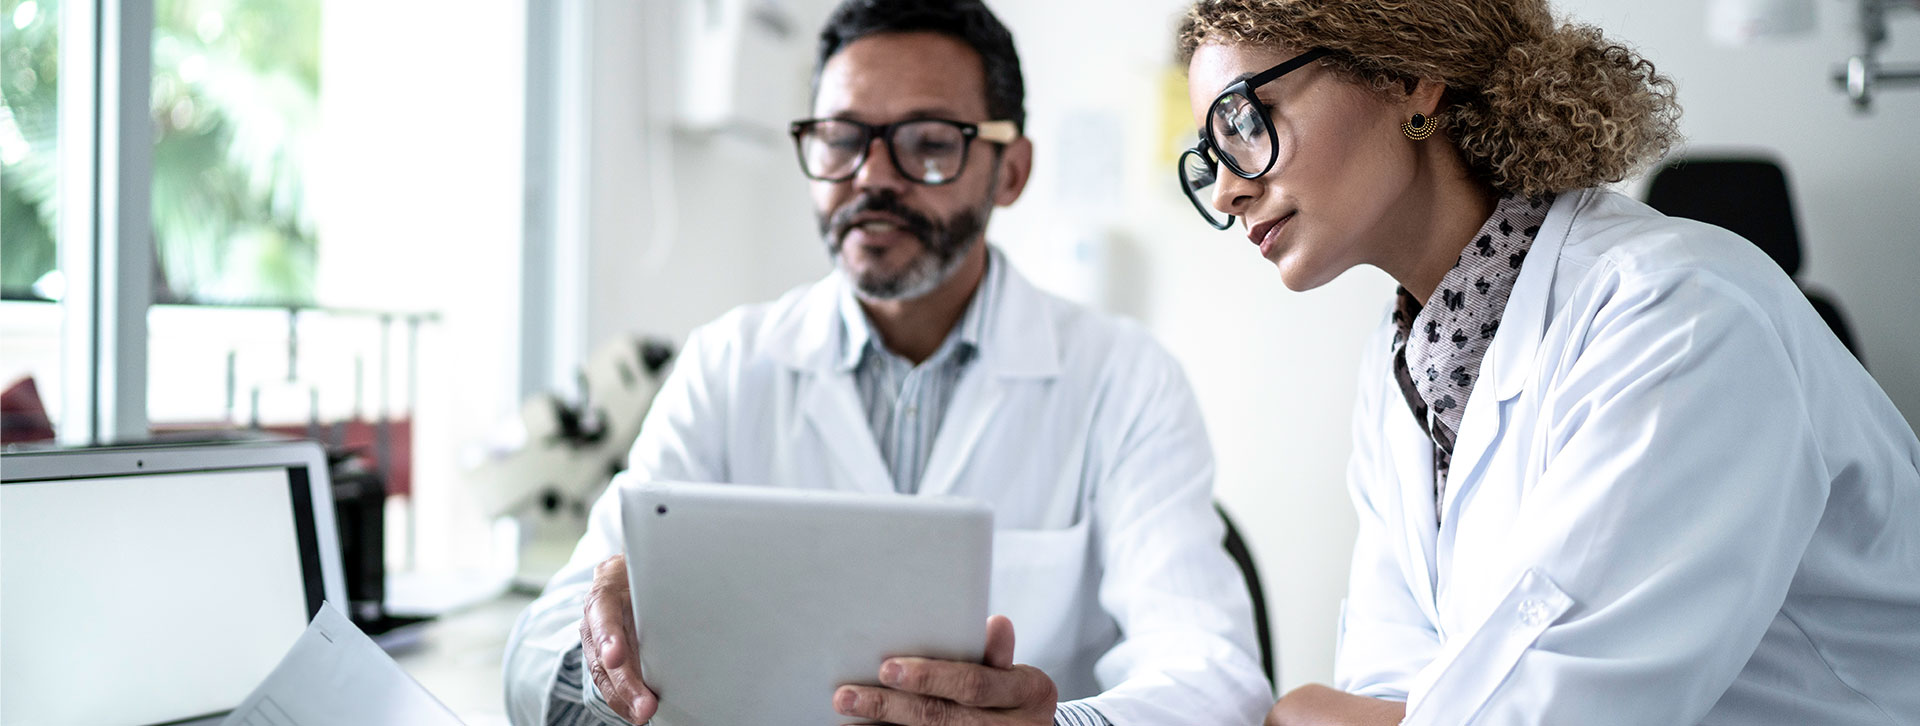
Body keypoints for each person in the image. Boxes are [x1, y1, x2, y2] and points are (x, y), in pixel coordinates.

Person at [503, 2, 1273, 725]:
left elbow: (1217, 677)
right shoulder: (727, 366)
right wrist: (607, 657)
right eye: (841, 138)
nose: (871, 176)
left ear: (1010, 171)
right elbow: (536, 656)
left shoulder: (1124, 380)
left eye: (929, 143)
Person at [1172, 0, 1920, 724]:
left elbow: (1570, 703)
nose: (1231, 189)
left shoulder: (1677, 313)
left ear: (1407, 77)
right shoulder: (1405, 362)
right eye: (1211, 155)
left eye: (1245, 119)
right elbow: (1387, 675)